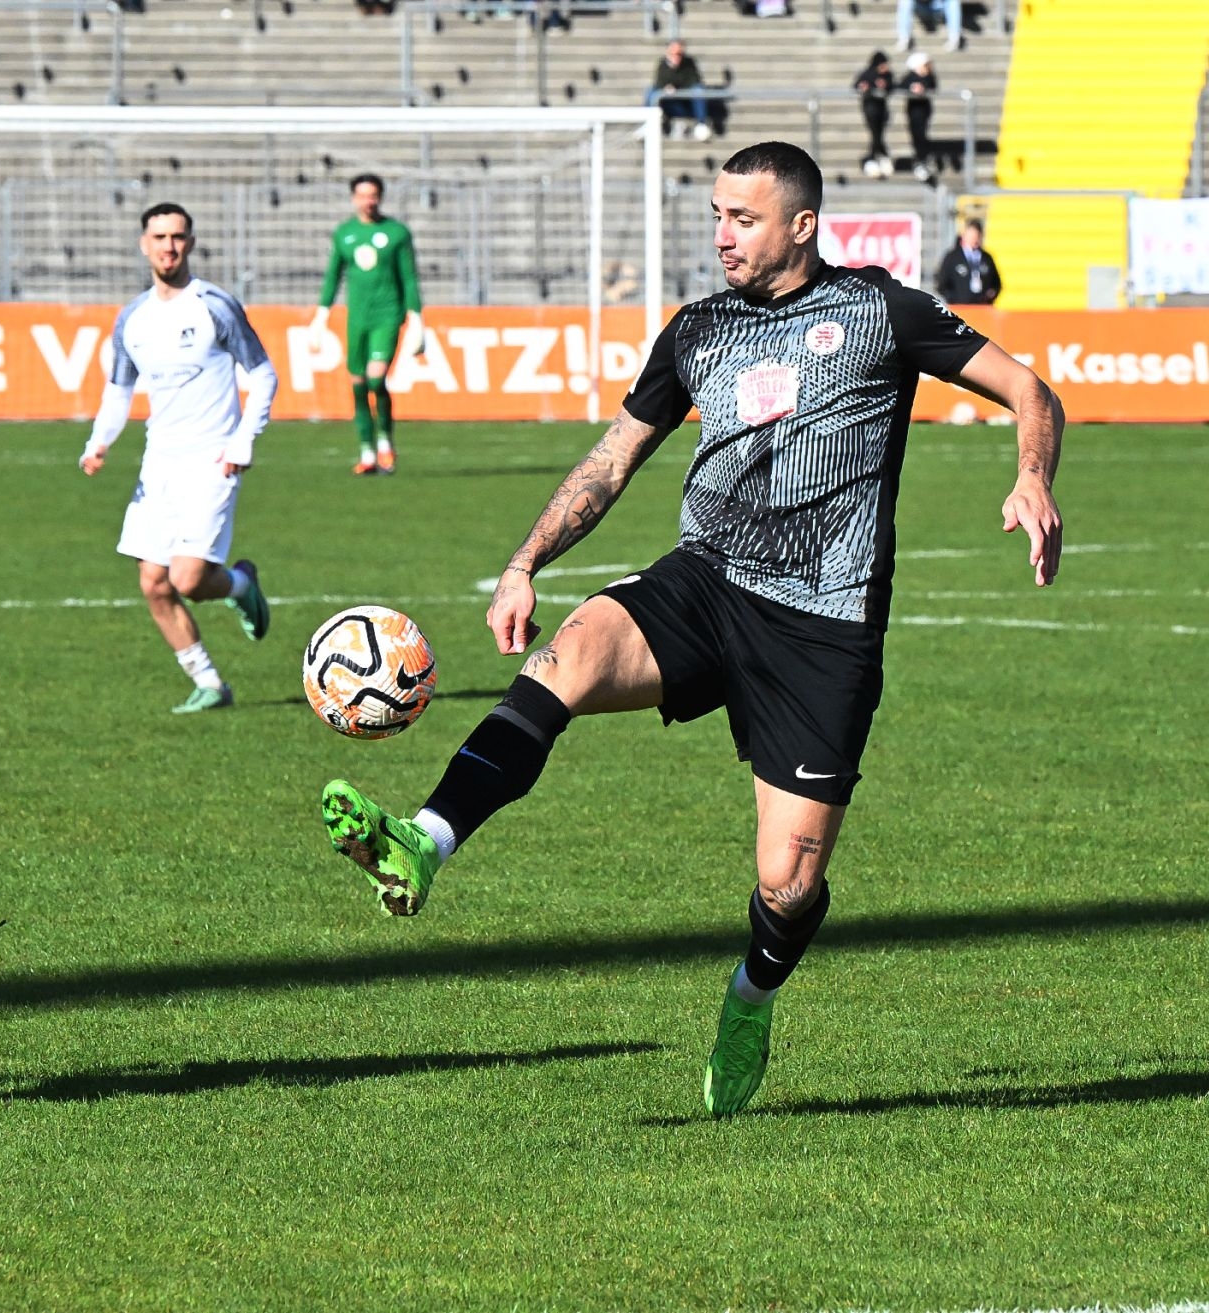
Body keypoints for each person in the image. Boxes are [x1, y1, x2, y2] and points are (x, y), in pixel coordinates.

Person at [315, 141, 1063, 1118]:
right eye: (715, 214)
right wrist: (524, 560)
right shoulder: (698, 328)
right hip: (703, 583)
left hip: (821, 628)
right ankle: (422, 839)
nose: (721, 235)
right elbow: (615, 456)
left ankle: (750, 998)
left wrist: (1032, 473)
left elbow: (1028, 389)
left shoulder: (883, 311)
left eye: (741, 218)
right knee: (571, 651)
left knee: (788, 883)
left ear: (800, 224)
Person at [80, 202, 277, 714]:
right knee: (153, 583)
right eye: (160, 237)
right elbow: (119, 390)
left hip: (213, 460)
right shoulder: (133, 318)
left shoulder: (215, 305)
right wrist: (99, 442)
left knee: (188, 579)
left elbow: (262, 374)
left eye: (179, 237)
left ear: (190, 243)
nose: (170, 246)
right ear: (144, 244)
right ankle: (209, 681)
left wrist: (243, 442)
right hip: (158, 465)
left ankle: (240, 583)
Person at [310, 174, 424, 476]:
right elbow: (333, 276)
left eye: (373, 195)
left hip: (387, 316)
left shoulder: (396, 233)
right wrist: (321, 315)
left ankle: (386, 443)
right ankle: (366, 452)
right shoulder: (344, 234)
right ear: (353, 198)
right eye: (362, 195)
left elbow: (409, 278)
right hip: (356, 319)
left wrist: (416, 318)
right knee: (358, 385)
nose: (368, 201)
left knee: (376, 380)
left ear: (381, 197)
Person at [644, 40, 713, 141]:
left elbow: (694, 81)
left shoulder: (689, 63)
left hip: (687, 103)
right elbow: (659, 84)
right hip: (670, 105)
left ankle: (701, 124)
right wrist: (666, 87)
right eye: (673, 54)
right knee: (650, 91)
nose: (676, 57)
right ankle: (647, 123)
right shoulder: (663, 65)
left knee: (698, 90)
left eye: (679, 54)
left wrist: (676, 88)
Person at [935, 218, 1001, 305]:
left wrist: (991, 295)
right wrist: (954, 299)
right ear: (964, 235)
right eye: (972, 236)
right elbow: (941, 283)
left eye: (977, 236)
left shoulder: (986, 258)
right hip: (960, 308)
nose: (975, 240)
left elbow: (996, 283)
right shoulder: (953, 257)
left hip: (982, 308)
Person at [854, 50, 896, 178]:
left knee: (878, 133)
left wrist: (885, 86)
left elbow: (893, 85)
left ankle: (877, 156)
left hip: (882, 109)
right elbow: (857, 85)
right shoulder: (868, 73)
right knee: (876, 134)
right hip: (870, 108)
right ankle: (877, 156)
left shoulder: (887, 75)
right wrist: (865, 87)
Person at [900, 53, 940, 183]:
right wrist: (912, 88)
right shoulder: (910, 77)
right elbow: (901, 85)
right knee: (916, 135)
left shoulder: (929, 77)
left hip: (924, 110)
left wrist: (923, 88)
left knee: (921, 134)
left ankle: (922, 159)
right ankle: (920, 160)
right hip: (914, 110)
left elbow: (932, 85)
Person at [896, 0, 961, 53]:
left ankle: (954, 38)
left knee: (953, 1)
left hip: (938, 7)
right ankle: (904, 39)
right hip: (921, 8)